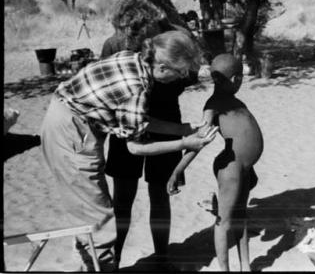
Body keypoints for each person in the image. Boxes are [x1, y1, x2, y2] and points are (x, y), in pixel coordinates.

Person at [40, 30, 217, 271]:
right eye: (180, 73)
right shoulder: (137, 88)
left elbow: (136, 118)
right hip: (72, 134)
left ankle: (92, 263)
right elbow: (135, 146)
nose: (181, 78)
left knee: (89, 216)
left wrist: (181, 129)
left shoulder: (132, 59)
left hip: (65, 121)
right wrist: (184, 143)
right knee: (100, 223)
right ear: (163, 68)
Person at [100, 0, 200, 269]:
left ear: (150, 25)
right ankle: (114, 262)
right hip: (126, 121)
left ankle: (162, 260)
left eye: (136, 33)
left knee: (161, 193)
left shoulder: (174, 38)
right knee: (123, 198)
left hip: (166, 117)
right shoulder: (114, 43)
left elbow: (190, 73)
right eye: (125, 33)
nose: (130, 39)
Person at [166, 53, 264, 271]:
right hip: (231, 167)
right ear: (235, 78)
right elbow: (198, 142)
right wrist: (178, 170)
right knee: (224, 221)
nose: (240, 81)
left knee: (240, 216)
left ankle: (245, 266)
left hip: (244, 167)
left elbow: (244, 135)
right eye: (238, 77)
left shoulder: (235, 101)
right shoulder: (213, 105)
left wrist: (251, 167)